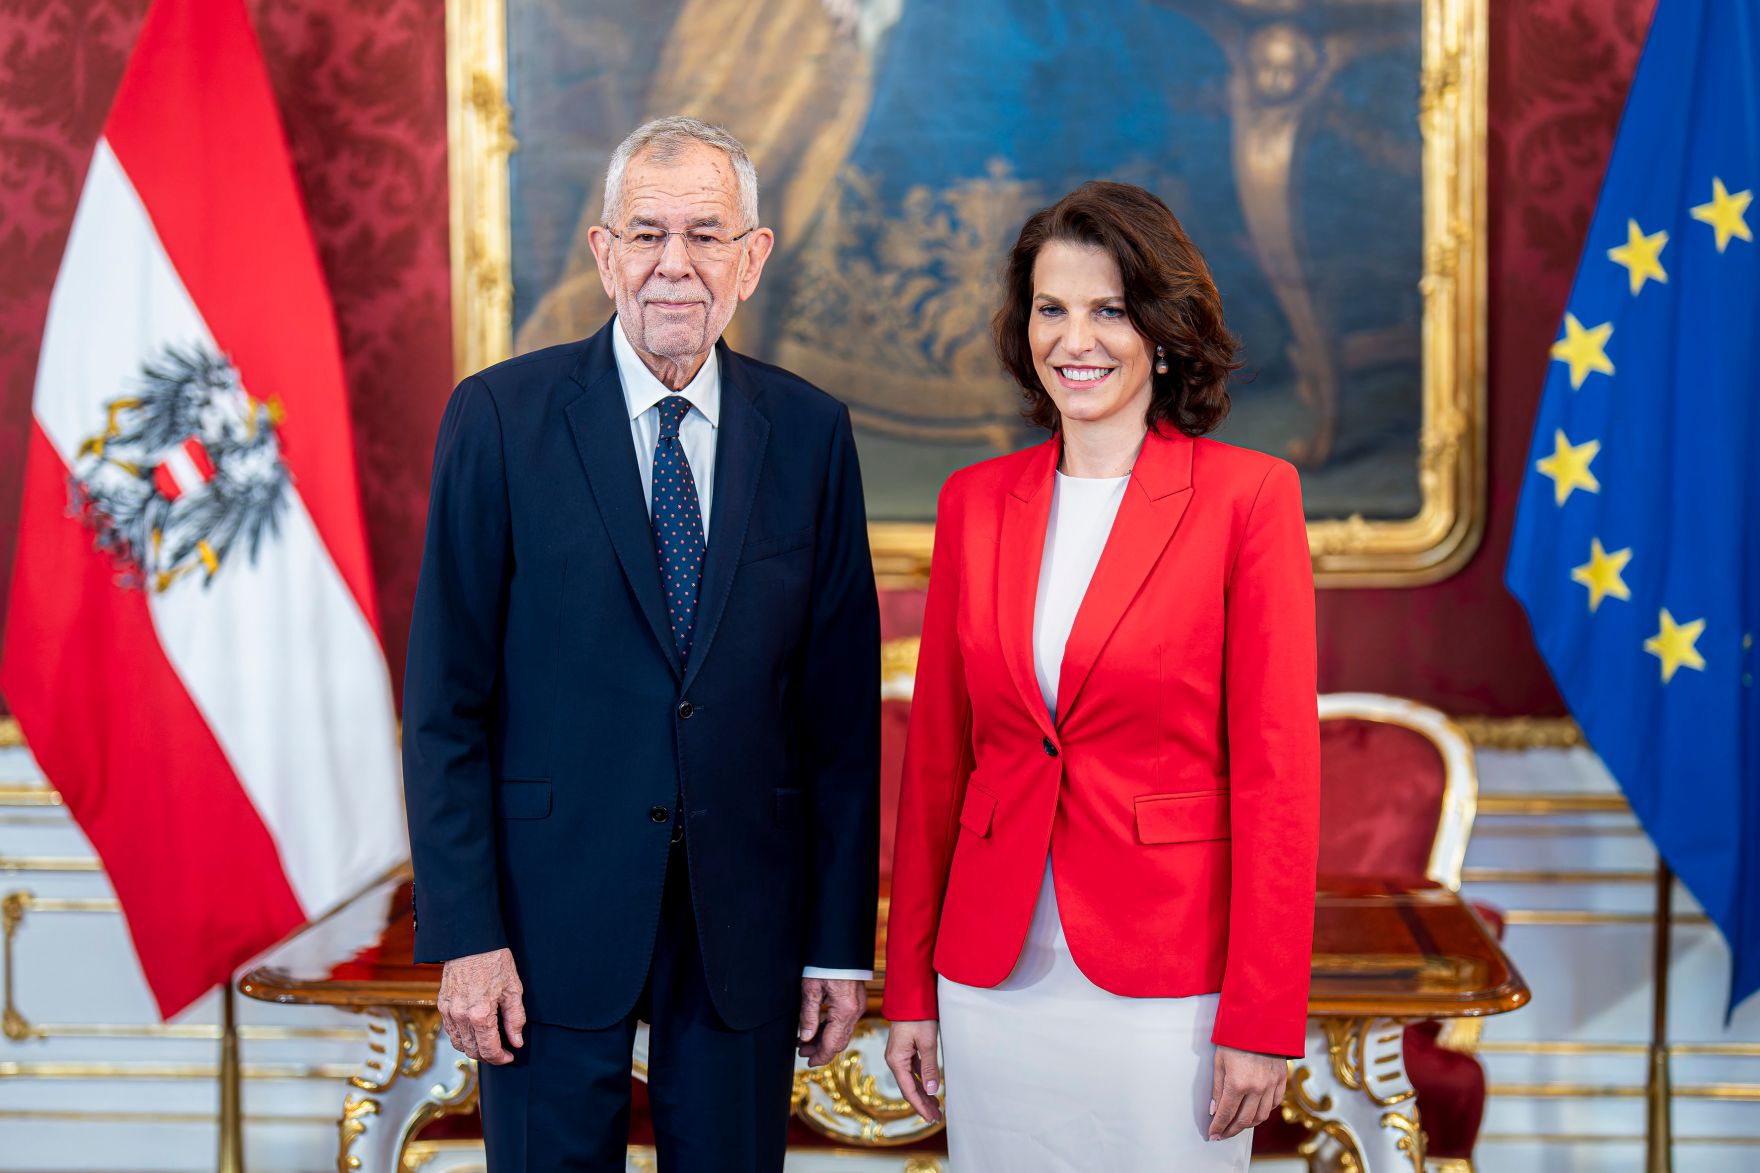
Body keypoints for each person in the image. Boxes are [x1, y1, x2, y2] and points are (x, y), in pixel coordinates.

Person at [402, 116, 880, 1171]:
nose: (675, 265)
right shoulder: (498, 419)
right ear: (603, 252)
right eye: (648, 233)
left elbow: (838, 724)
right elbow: (445, 708)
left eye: (706, 235)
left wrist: (838, 941)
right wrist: (467, 935)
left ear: (751, 259)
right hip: (540, 919)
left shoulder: (809, 434)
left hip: (744, 926)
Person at [882, 180, 1320, 1170]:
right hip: (991, 978)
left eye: (1108, 310)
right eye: (1050, 308)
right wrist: (907, 990)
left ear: (1162, 331)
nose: (1073, 338)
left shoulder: (1247, 500)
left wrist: (1261, 1015)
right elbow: (936, 771)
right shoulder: (974, 504)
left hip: (1169, 977)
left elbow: (1277, 782)